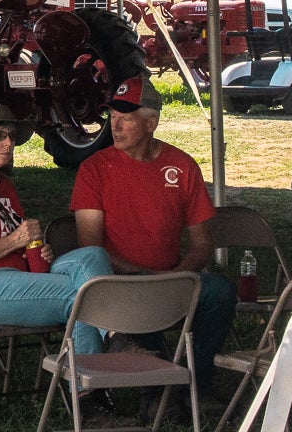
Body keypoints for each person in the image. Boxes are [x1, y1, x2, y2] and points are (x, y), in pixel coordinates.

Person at [72, 76, 233, 398]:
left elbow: (203, 244)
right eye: (112, 119)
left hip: (172, 280)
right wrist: (144, 275)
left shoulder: (182, 166)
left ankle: (197, 382)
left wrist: (176, 275)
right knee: (135, 304)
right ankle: (155, 380)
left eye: (124, 120)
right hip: (120, 282)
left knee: (220, 292)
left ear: (151, 123)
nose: (114, 128)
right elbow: (91, 248)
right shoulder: (94, 168)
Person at [0, 104, 113, 354]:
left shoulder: (3, 185)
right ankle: (92, 381)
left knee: (93, 255)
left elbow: (17, 241)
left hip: (12, 278)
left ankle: (116, 338)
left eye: (12, 136)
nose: (9, 143)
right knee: (80, 295)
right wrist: (15, 241)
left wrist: (34, 252)